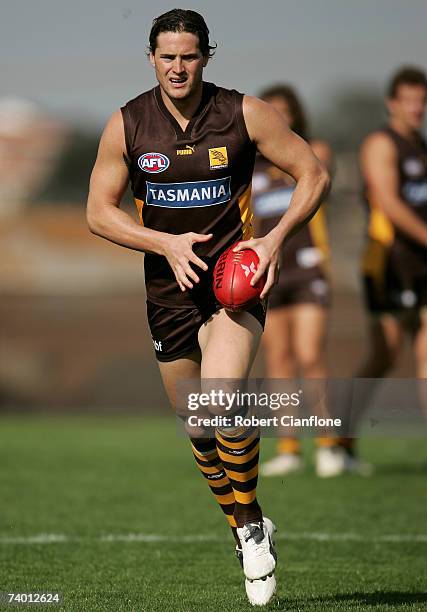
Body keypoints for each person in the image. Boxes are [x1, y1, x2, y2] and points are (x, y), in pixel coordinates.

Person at [86, 9, 329, 606]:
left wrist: (272, 241)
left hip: (233, 288)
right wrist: (161, 242)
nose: (178, 66)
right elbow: (98, 211)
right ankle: (248, 520)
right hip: (166, 294)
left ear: (206, 56)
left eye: (189, 56)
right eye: (167, 56)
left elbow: (314, 175)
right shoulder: (126, 124)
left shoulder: (244, 113)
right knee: (196, 428)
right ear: (151, 57)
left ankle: (249, 535)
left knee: (221, 403)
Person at [252, 85, 344, 478]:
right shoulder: (249, 167)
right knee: (279, 360)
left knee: (310, 355)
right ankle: (289, 448)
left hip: (308, 268)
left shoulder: (312, 152)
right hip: (267, 272)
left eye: (284, 110)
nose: (278, 116)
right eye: (269, 111)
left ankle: (328, 444)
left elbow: (320, 169)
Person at [353, 66, 427, 460]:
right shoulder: (381, 144)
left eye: (421, 101)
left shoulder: (422, 147)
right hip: (387, 261)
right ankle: (342, 435)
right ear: (392, 103)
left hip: (422, 261)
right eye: (409, 101)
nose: (416, 108)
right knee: (385, 353)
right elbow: (390, 204)